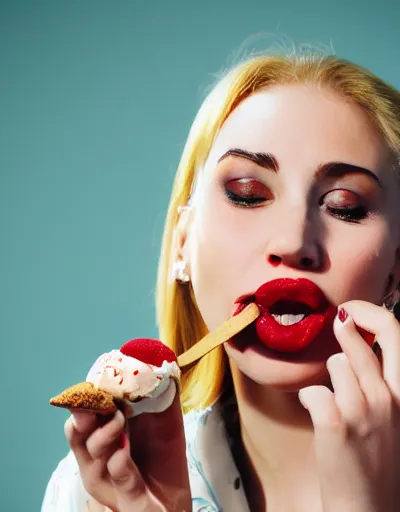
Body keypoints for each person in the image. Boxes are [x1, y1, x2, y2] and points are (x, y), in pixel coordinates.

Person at [41, 50, 400, 511]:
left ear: (396, 267)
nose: (293, 241)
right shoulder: (92, 493)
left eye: (344, 205)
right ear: (183, 243)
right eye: (247, 195)